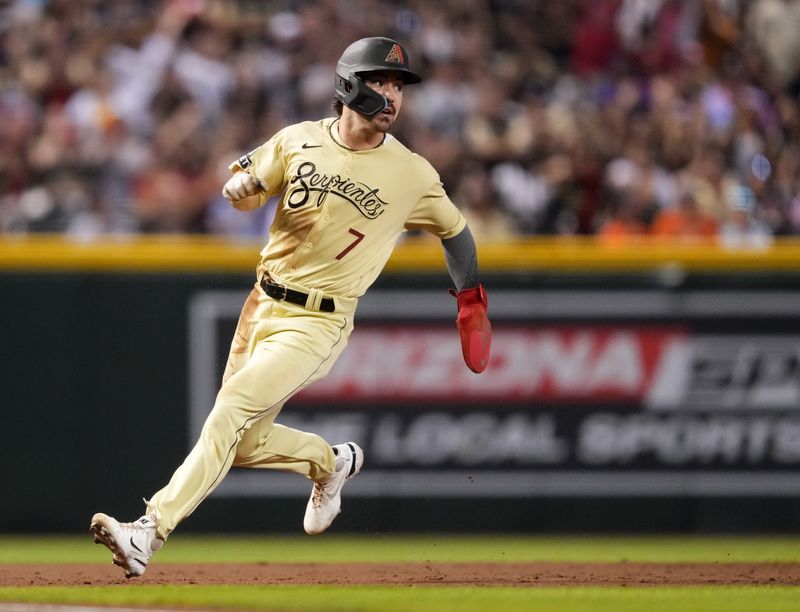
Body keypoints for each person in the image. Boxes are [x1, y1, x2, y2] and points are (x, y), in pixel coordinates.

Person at [89, 36, 492, 579]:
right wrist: (241, 188)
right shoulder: (297, 140)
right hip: (262, 304)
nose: (393, 95)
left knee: (229, 412)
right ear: (349, 85)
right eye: (382, 81)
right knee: (244, 442)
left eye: (399, 86)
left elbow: (457, 233)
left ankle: (148, 531)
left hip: (319, 321)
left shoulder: (412, 173)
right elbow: (246, 190)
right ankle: (332, 462)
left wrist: (470, 297)